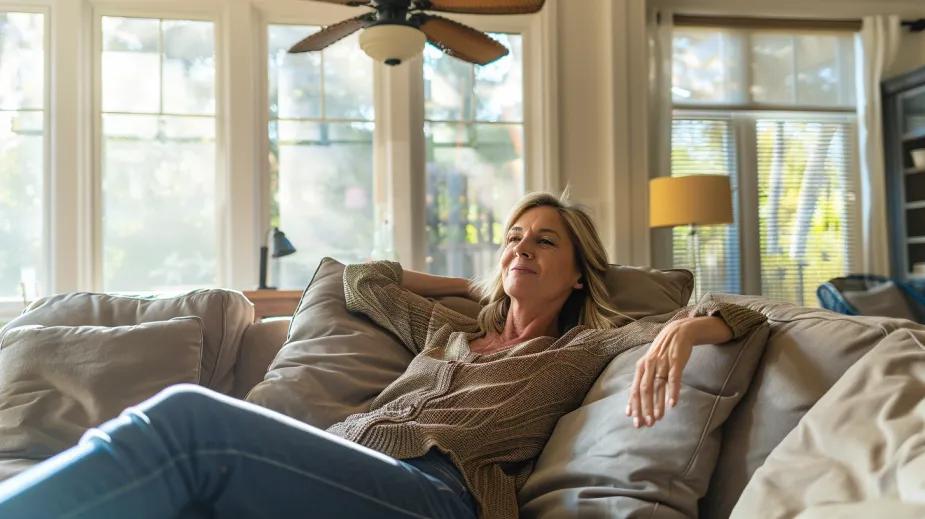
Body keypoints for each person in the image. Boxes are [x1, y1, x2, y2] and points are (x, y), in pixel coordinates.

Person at [0, 192, 766, 518]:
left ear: (577, 270)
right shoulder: (449, 331)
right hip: (350, 461)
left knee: (185, 424)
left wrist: (682, 329)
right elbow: (362, 276)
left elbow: (741, 317)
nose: (521, 248)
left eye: (543, 241)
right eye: (512, 237)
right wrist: (472, 282)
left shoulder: (585, 345)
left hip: (437, 492)